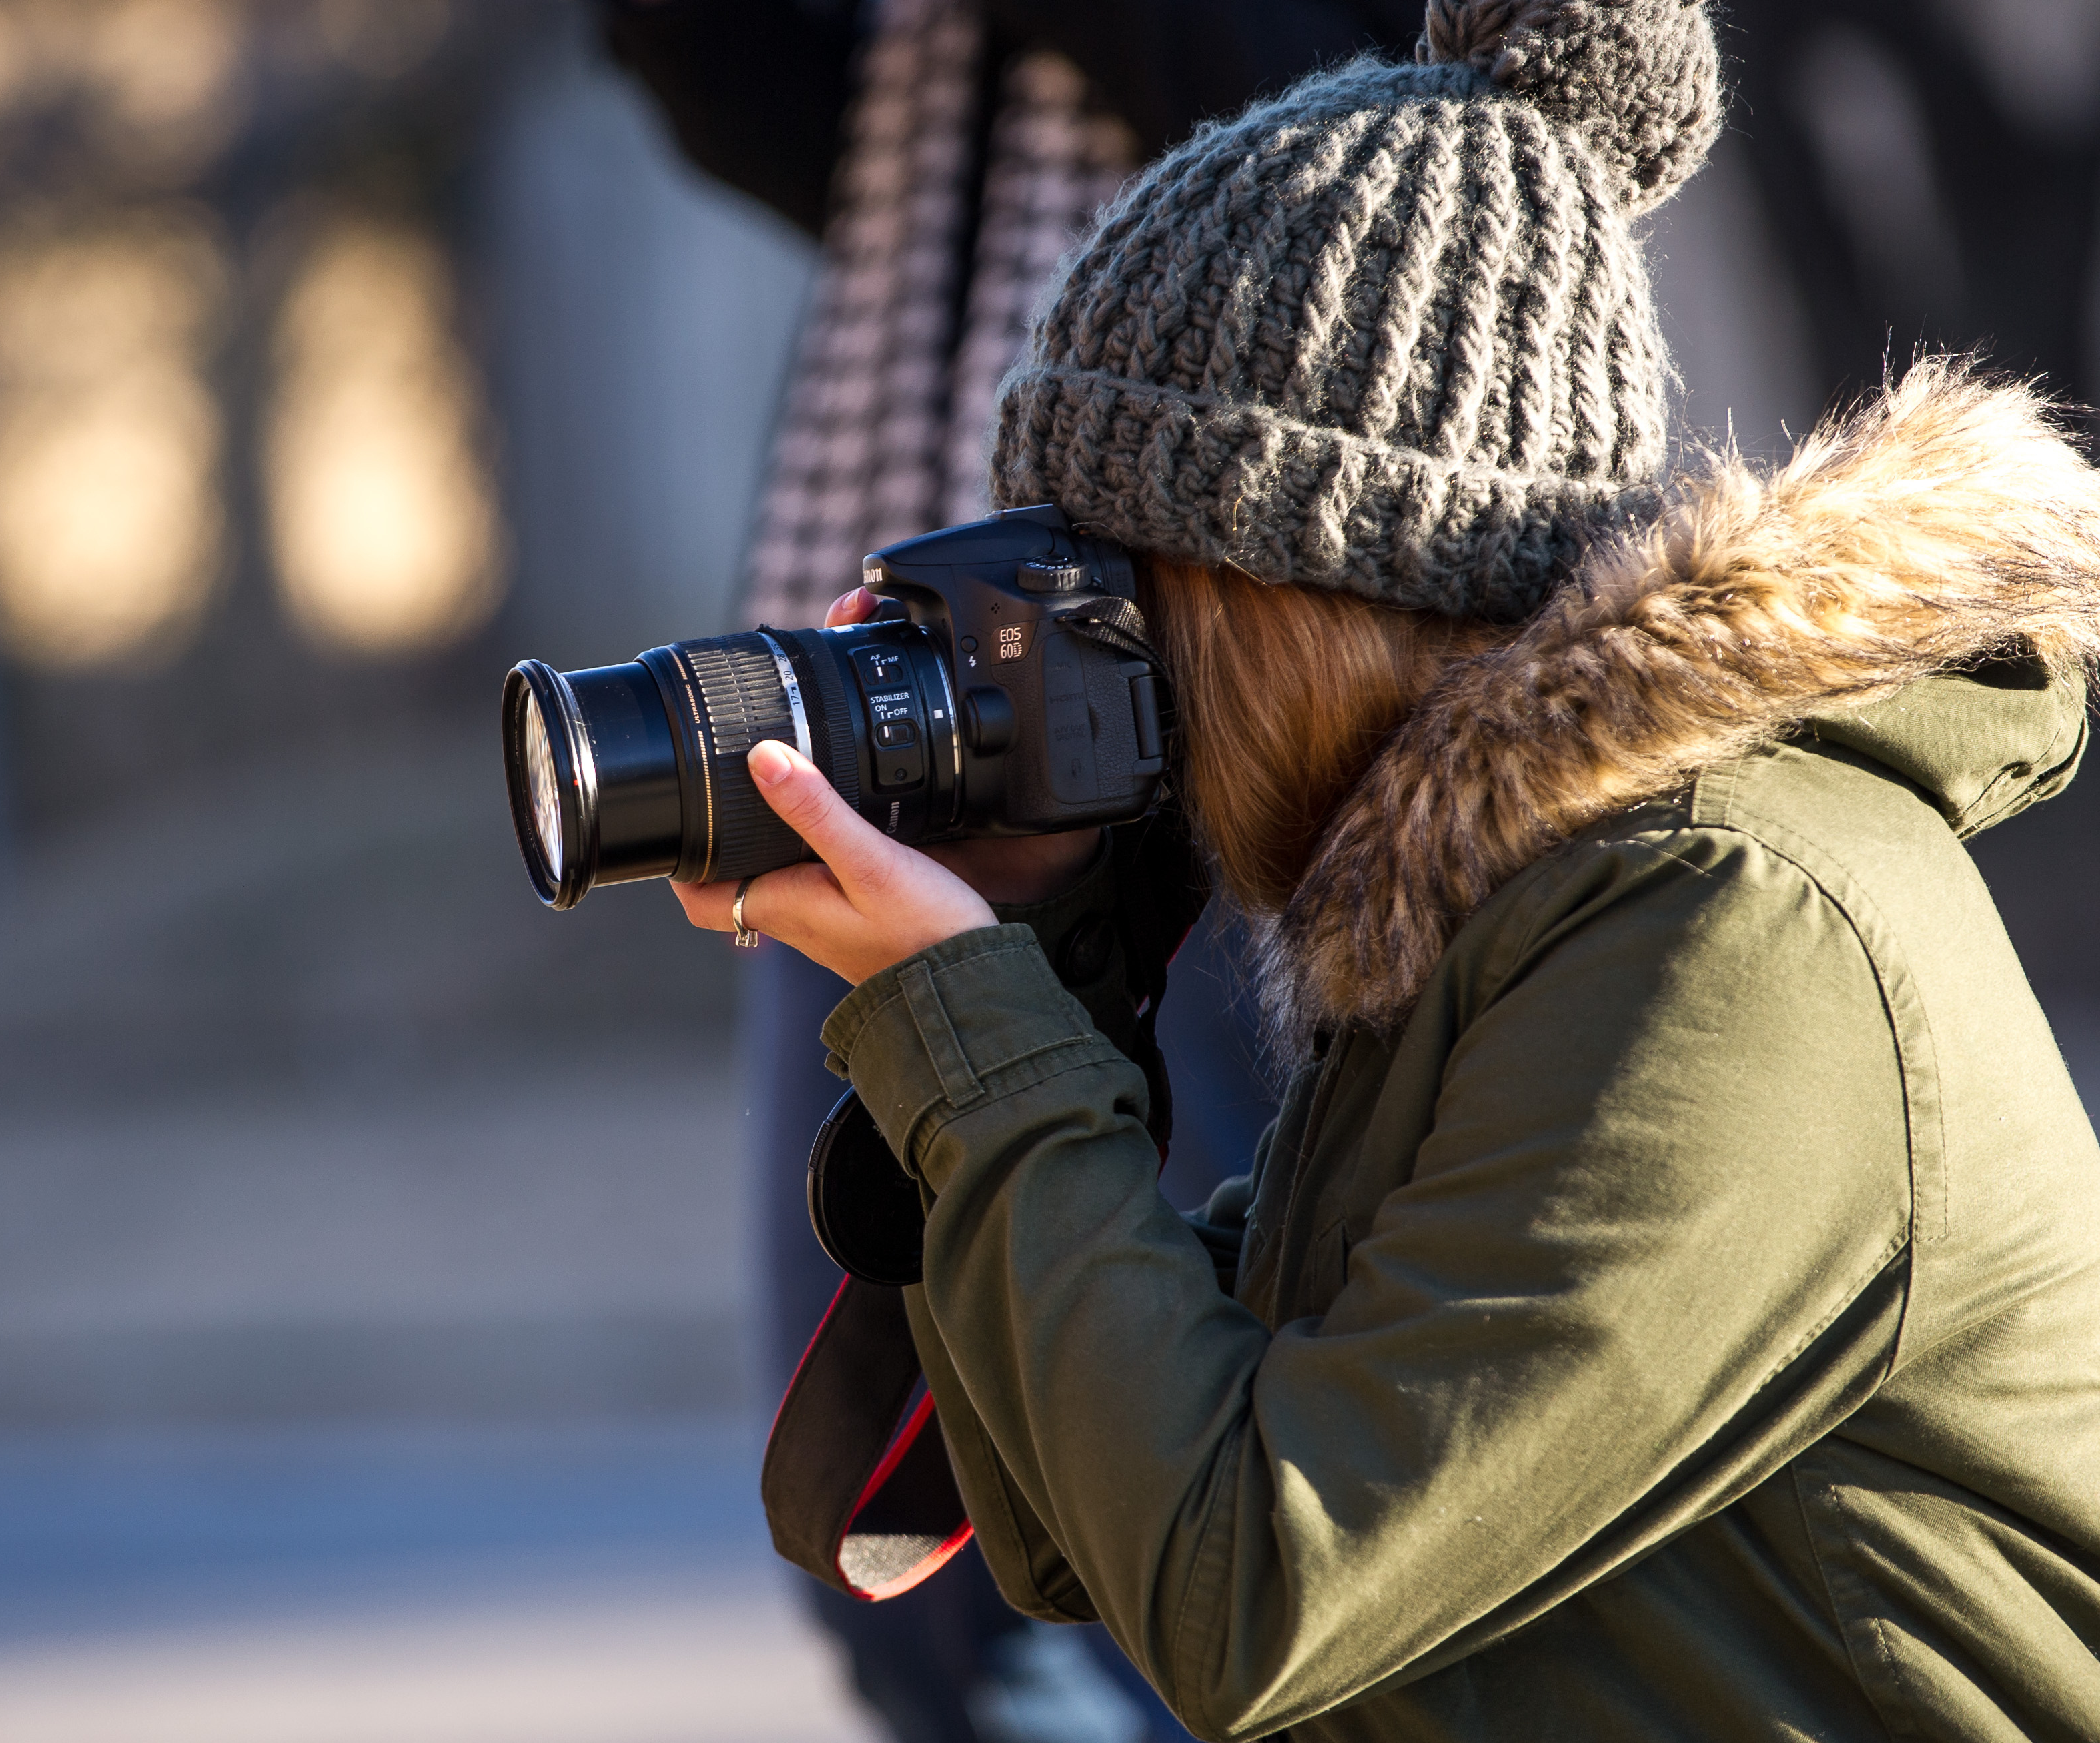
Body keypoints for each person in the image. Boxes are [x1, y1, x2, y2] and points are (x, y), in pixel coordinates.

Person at [673, 1, 2100, 1736]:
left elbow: (1250, 1589)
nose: (1088, 661)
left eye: (1123, 587)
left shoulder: (1730, 929)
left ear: (1302, 588)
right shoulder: (1510, 914)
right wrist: (1017, 959)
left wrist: (965, 1026)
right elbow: (1080, 1524)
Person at [603, 5, 1419, 1740]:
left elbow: (1311, 97)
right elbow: (788, 126)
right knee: (901, 1528)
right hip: (878, 684)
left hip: (1205, 700)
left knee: (1169, 1480)